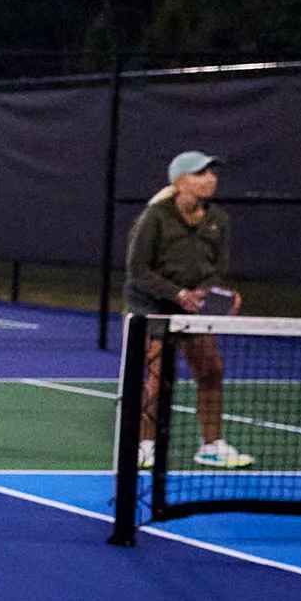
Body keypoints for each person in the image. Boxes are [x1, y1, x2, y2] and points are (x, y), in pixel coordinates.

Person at [125, 150, 252, 468]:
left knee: (211, 371)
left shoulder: (218, 219)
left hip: (193, 308)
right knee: (159, 376)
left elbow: (215, 268)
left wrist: (217, 294)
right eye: (201, 173)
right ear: (180, 181)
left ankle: (211, 444)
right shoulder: (154, 217)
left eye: (212, 172)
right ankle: (146, 445)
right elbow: (138, 271)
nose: (211, 178)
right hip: (154, 307)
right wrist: (178, 293)